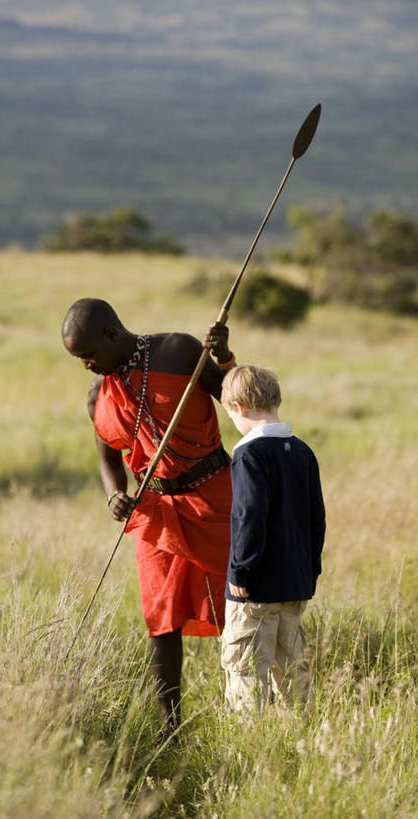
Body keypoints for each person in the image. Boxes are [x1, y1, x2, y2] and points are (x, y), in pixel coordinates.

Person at [61, 298, 236, 734]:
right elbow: (108, 459)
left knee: (239, 603)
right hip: (154, 511)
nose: (86, 365)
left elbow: (240, 403)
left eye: (88, 355)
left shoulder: (178, 351)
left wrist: (223, 357)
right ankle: (169, 724)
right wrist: (113, 496)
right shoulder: (97, 395)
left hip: (215, 497)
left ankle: (247, 702)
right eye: (78, 359)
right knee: (161, 616)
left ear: (112, 335)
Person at [219, 365, 325, 712]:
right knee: (293, 677)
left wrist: (239, 573)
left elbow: (249, 517)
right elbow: (316, 520)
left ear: (238, 406)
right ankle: (298, 747)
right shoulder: (303, 451)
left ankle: (251, 754)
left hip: (255, 591)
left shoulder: (248, 455)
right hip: (294, 586)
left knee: (247, 673)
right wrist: (310, 572)